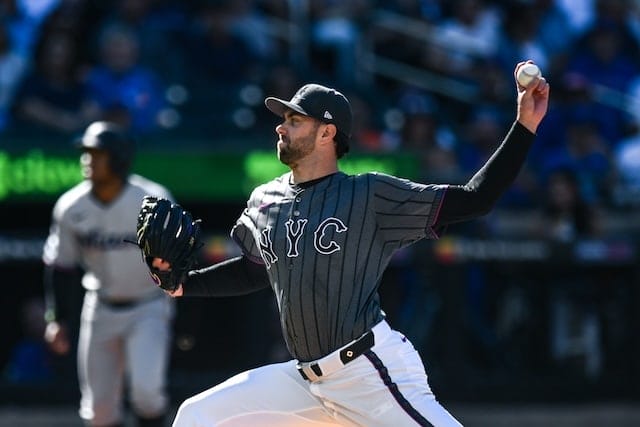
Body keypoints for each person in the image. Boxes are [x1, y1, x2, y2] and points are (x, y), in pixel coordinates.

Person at [154, 61, 549, 426]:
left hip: (367, 371)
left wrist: (524, 125)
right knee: (197, 416)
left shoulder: (369, 194)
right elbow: (256, 271)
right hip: (304, 380)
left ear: (327, 133)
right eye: (284, 119)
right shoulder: (265, 199)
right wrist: (184, 284)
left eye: (295, 120)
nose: (281, 127)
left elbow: (476, 199)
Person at [42, 121, 175, 426]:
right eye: (86, 153)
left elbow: (179, 260)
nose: (87, 160)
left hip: (148, 306)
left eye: (97, 154)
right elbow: (61, 266)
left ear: (118, 159)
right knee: (99, 410)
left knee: (147, 394)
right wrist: (57, 318)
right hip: (100, 308)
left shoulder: (153, 200)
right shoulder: (71, 206)